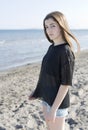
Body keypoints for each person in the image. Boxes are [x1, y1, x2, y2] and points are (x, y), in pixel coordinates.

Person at [29, 11, 80, 130]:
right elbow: (45, 74)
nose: (49, 30)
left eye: (53, 25)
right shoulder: (52, 47)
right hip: (46, 99)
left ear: (61, 26)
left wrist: (53, 109)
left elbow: (65, 83)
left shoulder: (65, 52)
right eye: (46, 27)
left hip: (57, 105)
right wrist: (36, 92)